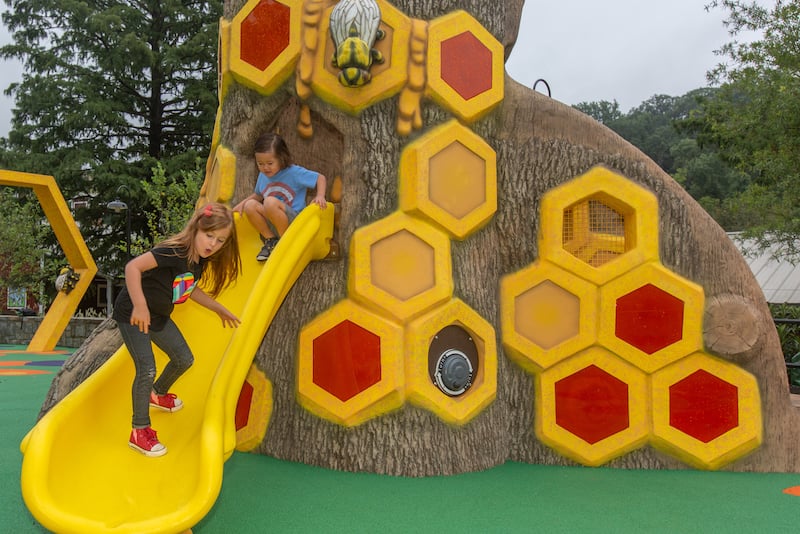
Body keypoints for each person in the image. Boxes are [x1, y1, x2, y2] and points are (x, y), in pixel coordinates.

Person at [113, 202, 242, 457]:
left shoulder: (199, 260)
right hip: (133, 314)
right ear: (196, 229)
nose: (212, 244)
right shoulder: (173, 251)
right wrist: (140, 306)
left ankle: (157, 393)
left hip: (159, 316)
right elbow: (132, 268)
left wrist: (218, 308)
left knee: (184, 359)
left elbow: (188, 288)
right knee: (147, 368)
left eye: (219, 240)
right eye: (209, 236)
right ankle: (139, 431)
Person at [233, 132, 327, 261]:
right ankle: (271, 240)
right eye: (260, 164)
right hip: (274, 221)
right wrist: (241, 205)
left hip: (295, 223)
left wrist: (320, 196)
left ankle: (285, 242)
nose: (265, 168)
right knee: (250, 206)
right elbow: (258, 195)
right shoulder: (263, 176)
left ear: (281, 158)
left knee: (270, 202)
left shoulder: (293, 172)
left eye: (270, 163)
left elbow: (320, 178)